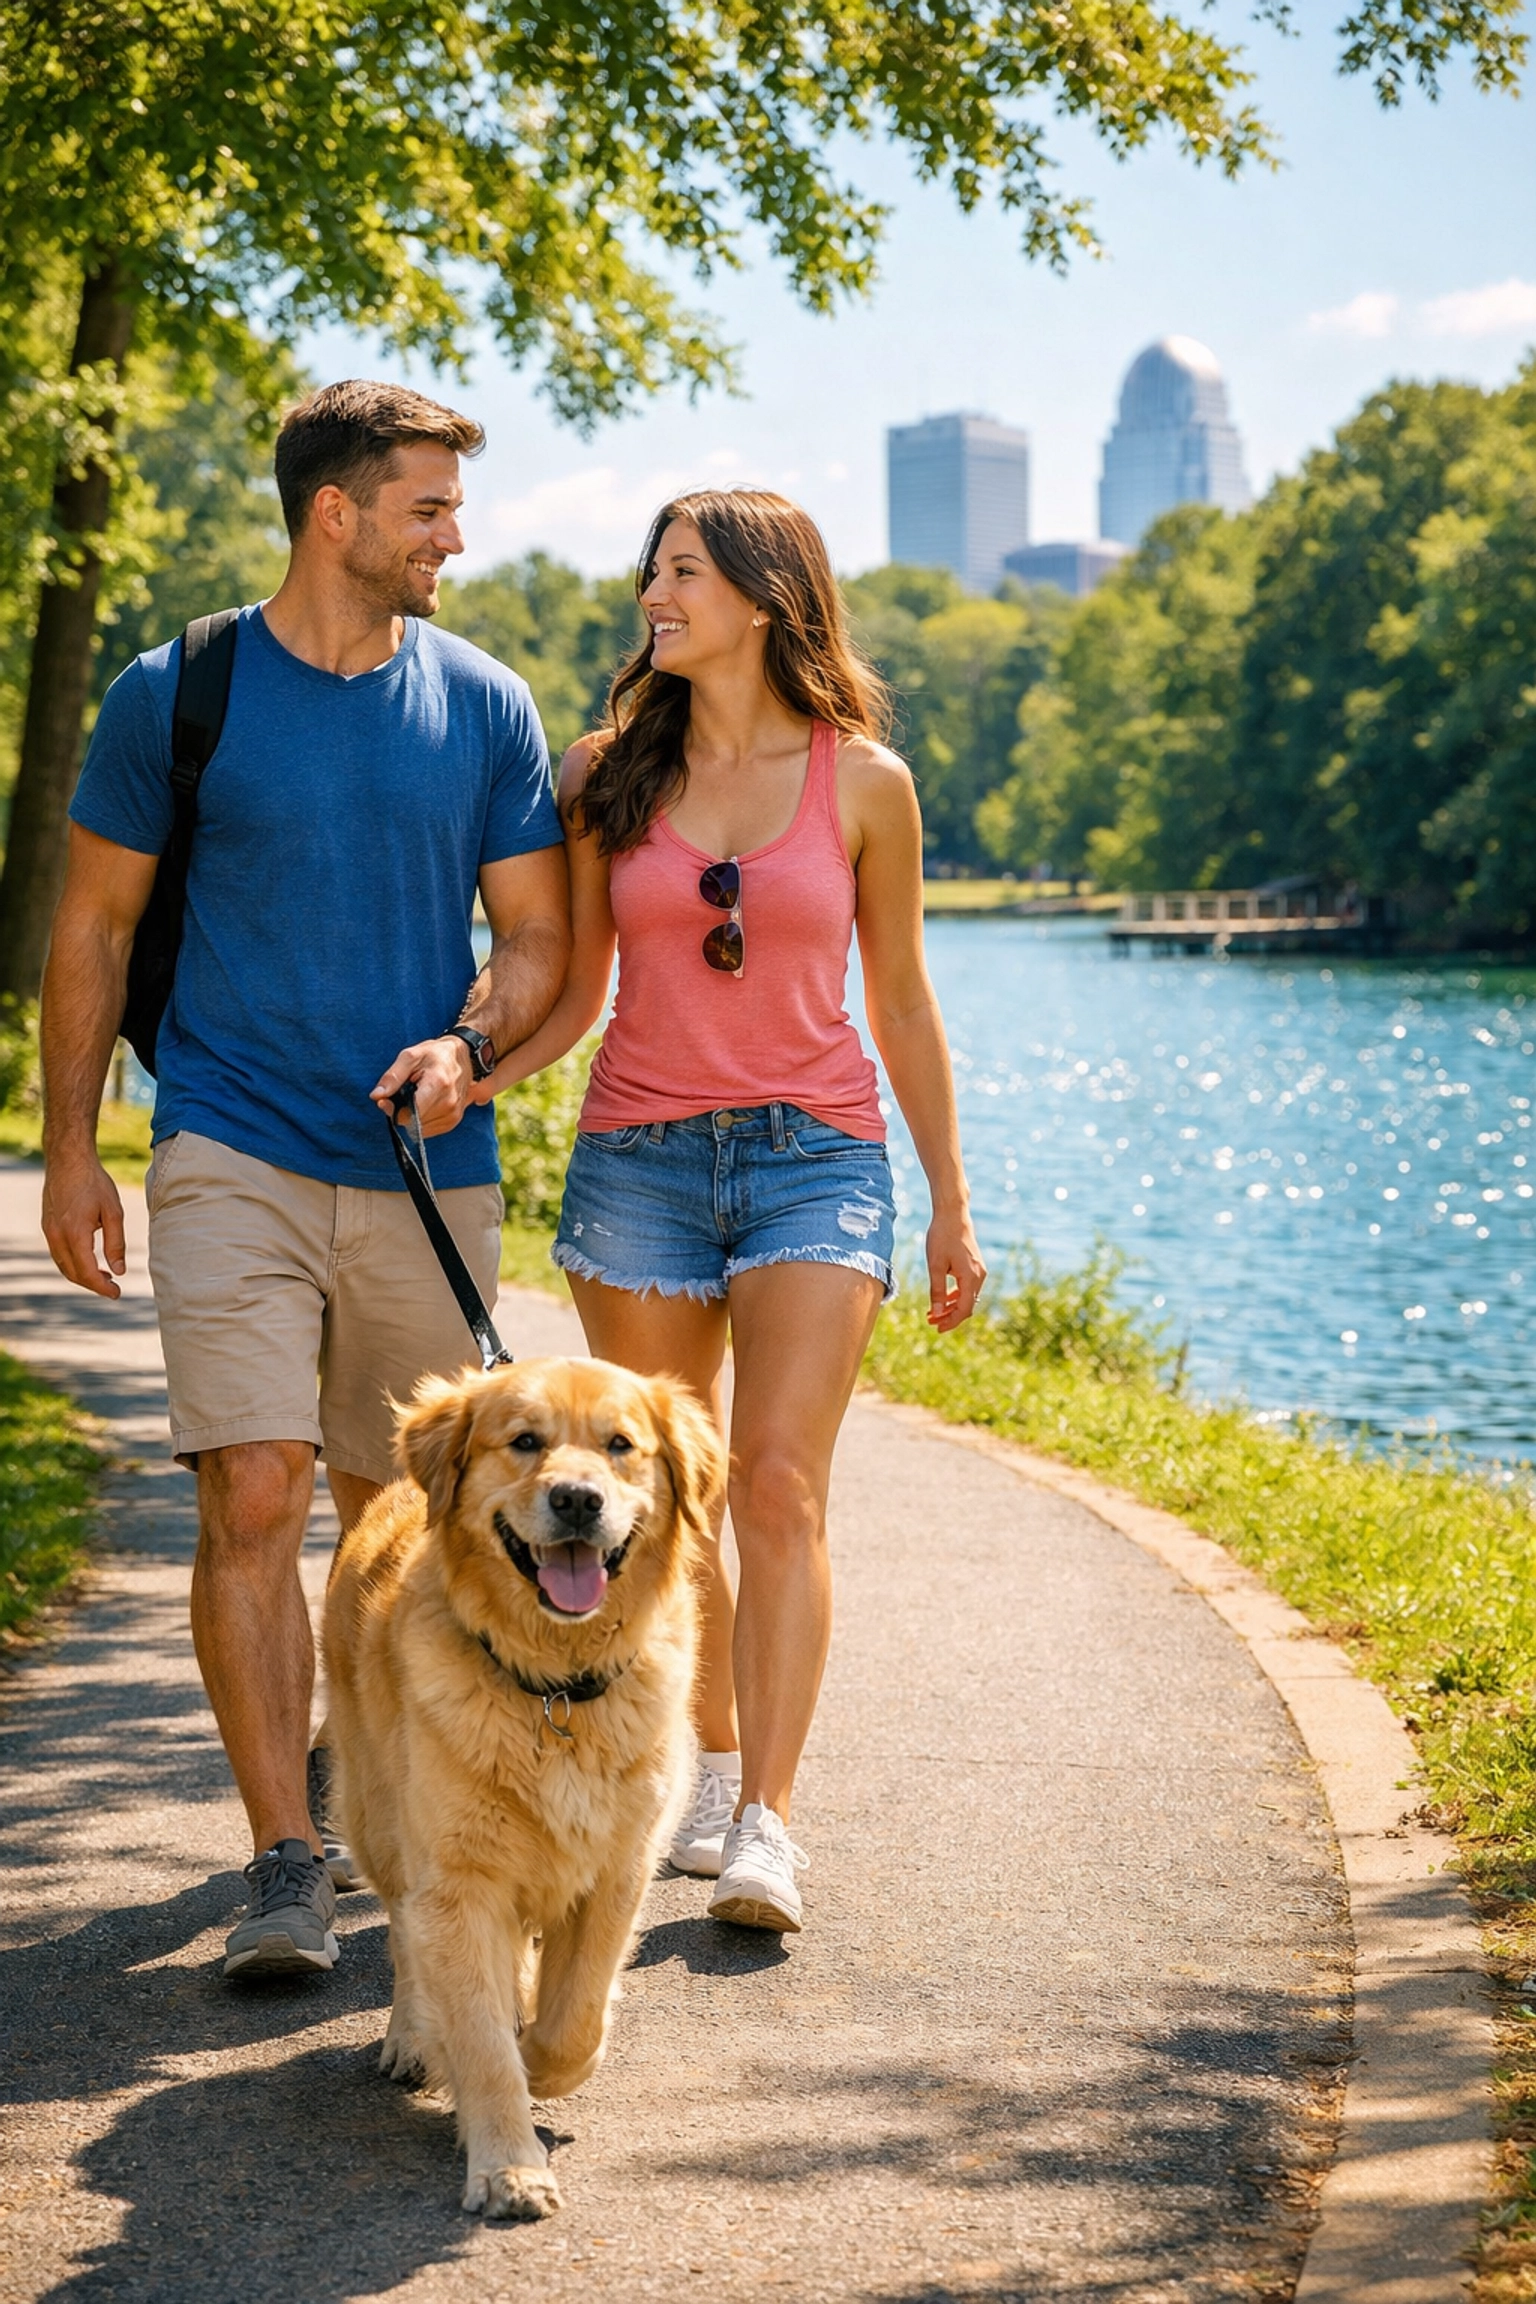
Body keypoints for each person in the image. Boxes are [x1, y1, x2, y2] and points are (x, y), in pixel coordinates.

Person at [40, 381, 570, 1980]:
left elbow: (537, 939)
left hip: (424, 1162)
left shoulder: (485, 705)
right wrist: (74, 1146)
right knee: (252, 1488)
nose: (454, 539)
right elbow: (94, 932)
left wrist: (465, 1043)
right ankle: (286, 1855)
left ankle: (373, 1798)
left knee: (397, 1514)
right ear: (334, 512)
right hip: (229, 1142)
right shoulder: (174, 693)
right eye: (428, 508)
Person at [475, 488, 985, 1933]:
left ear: (763, 597)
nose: (655, 593)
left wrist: (948, 1202)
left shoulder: (865, 782)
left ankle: (767, 1816)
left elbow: (900, 1001)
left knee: (777, 1482)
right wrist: (473, 1070)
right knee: (658, 1495)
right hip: (638, 1158)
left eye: (684, 571)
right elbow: (574, 991)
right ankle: (694, 1780)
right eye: (653, 570)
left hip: (815, 1157)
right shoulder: (604, 773)